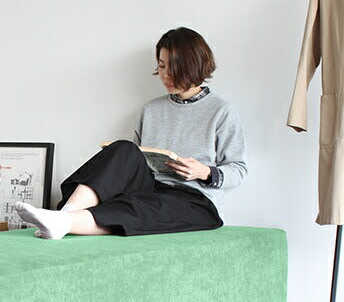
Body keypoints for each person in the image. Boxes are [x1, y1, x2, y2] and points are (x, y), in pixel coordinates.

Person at [15, 27, 248, 239]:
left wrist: (205, 172)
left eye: (173, 67)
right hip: (151, 187)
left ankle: (63, 222)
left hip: (194, 200)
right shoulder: (151, 110)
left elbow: (238, 169)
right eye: (162, 66)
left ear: (194, 65)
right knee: (124, 149)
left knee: (141, 208)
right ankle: (66, 213)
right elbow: (136, 161)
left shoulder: (221, 111)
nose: (165, 74)